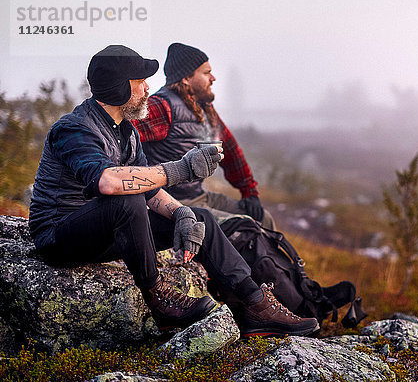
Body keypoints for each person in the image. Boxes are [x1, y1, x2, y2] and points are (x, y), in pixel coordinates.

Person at [28, 45, 318, 337]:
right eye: (140, 81)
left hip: (104, 234)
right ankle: (158, 297)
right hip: (60, 237)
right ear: (119, 88)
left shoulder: (126, 131)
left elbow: (149, 190)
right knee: (126, 199)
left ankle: (257, 306)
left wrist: (181, 212)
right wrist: (181, 169)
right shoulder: (74, 129)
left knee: (201, 217)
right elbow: (109, 182)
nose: (147, 87)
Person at [131, 42, 275, 229]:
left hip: (199, 195)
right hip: (174, 203)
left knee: (264, 219)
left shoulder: (206, 110)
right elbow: (121, 134)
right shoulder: (162, 107)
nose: (213, 78)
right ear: (187, 78)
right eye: (206, 73)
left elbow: (230, 151)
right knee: (245, 227)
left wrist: (250, 193)